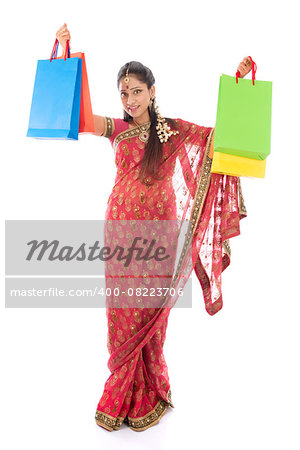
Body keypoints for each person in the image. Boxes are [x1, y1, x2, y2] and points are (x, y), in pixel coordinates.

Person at [56, 24, 249, 432]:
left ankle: (149, 392)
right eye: (124, 94)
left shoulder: (173, 131)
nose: (130, 100)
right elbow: (83, 119)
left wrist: (239, 85)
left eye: (137, 92)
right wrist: (65, 51)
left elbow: (217, 139)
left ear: (153, 91)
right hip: (120, 235)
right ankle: (122, 390)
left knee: (151, 310)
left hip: (159, 235)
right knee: (123, 312)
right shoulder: (119, 129)